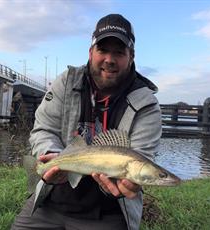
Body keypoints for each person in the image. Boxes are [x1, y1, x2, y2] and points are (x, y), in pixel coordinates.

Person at [12, 13, 162, 230]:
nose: (109, 59)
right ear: (91, 52)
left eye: (119, 52)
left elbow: (142, 156)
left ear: (131, 56)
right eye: (102, 50)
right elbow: (44, 129)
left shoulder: (147, 103)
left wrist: (128, 185)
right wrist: (51, 155)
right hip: (51, 201)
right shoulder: (66, 82)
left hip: (108, 212)